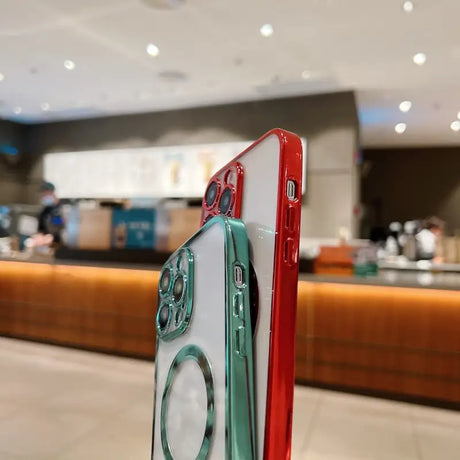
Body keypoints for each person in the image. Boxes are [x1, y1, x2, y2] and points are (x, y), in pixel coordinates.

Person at [36, 181, 64, 246]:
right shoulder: (45, 209)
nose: (43, 196)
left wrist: (51, 236)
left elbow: (61, 223)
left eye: (45, 193)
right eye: (42, 194)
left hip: (57, 242)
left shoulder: (60, 209)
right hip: (44, 242)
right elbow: (41, 225)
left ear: (51, 192)